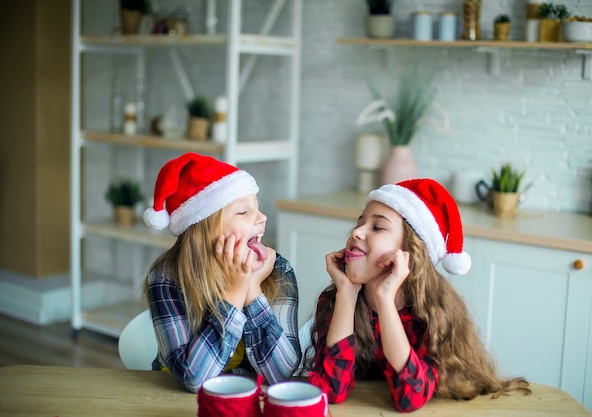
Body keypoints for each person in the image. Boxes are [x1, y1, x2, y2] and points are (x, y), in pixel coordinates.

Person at [305, 178, 530, 412]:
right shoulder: (336, 300)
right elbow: (330, 390)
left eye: (377, 227)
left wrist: (385, 302)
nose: (357, 232)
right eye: (359, 222)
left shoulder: (435, 312)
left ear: (409, 251)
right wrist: (347, 294)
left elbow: (409, 398)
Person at [142, 152, 301, 393]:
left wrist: (252, 288)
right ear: (204, 229)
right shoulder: (166, 277)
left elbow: (282, 375)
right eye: (243, 212)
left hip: (246, 397)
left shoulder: (277, 269)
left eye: (257, 207)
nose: (262, 218)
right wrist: (234, 291)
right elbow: (194, 379)